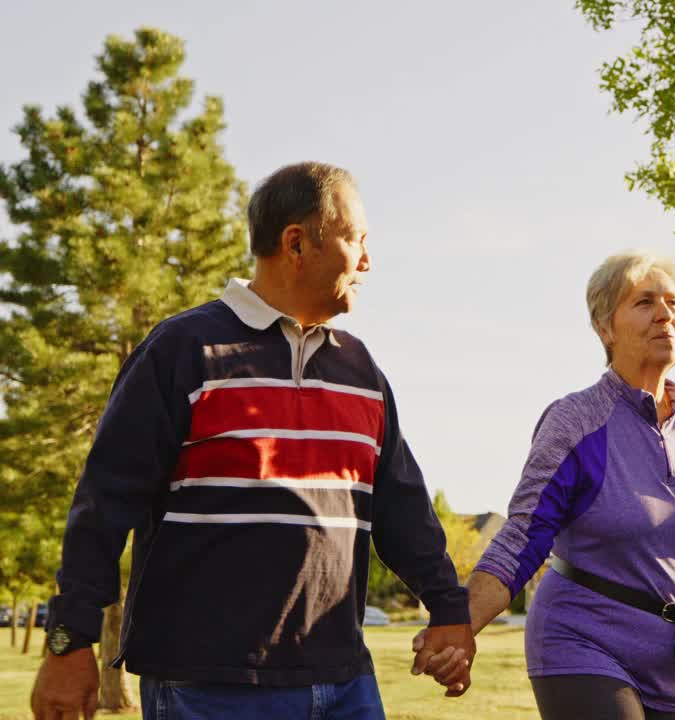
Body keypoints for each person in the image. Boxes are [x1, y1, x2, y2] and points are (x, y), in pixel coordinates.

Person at [30, 162, 475, 720]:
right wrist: (70, 639)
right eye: (356, 241)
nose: (367, 262)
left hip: (345, 683)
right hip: (207, 687)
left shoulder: (362, 371)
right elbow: (102, 506)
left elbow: (402, 509)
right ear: (296, 243)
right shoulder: (181, 350)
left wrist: (447, 608)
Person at [429, 250, 675, 719]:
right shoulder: (576, 420)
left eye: (673, 303)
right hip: (580, 642)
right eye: (645, 302)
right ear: (604, 328)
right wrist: (460, 627)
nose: (665, 315)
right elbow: (524, 536)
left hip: (673, 664)